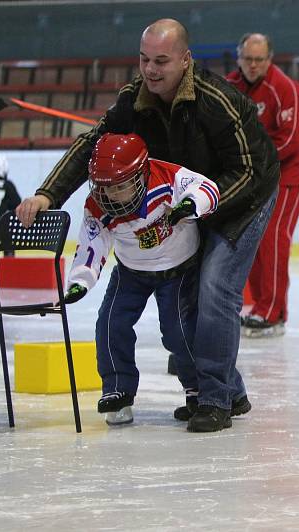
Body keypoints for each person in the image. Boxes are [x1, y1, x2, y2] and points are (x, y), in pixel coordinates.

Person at [15, 18, 280, 433]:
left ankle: (214, 399)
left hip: (244, 195)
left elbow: (247, 171)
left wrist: (194, 208)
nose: (151, 70)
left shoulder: (217, 100)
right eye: (144, 59)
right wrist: (48, 193)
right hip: (187, 201)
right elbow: (92, 145)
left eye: (161, 61)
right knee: (188, 299)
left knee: (214, 287)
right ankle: (231, 391)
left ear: (185, 60)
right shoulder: (133, 100)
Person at [64, 133, 220, 426]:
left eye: (121, 186)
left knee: (178, 332)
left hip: (177, 267)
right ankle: (117, 391)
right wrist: (81, 280)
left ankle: (196, 389)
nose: (111, 195)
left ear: (141, 174)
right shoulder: (97, 206)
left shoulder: (166, 177)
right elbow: (91, 244)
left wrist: (191, 204)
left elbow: (206, 187)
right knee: (110, 324)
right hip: (130, 271)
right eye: (105, 187)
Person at [226, 33, 299, 338]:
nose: (253, 65)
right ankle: (258, 305)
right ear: (239, 58)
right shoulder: (230, 87)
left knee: (274, 235)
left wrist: (251, 162)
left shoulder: (285, 89)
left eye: (259, 60)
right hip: (255, 172)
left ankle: (273, 312)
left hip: (290, 170)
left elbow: (289, 140)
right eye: (248, 59)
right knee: (250, 235)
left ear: (269, 60)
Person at [0, 155, 22, 256]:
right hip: (0, 231)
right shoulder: (8, 185)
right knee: (6, 230)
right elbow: (17, 205)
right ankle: (9, 261)